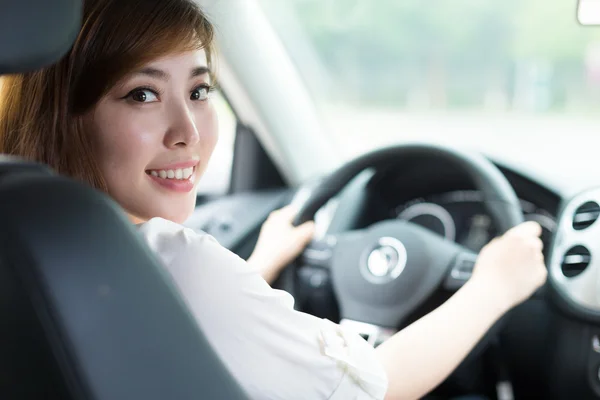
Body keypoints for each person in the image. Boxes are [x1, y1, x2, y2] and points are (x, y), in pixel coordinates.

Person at [0, 0, 547, 399]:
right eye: (142, 94)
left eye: (199, 91)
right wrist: (496, 285)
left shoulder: (30, 238)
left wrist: (255, 267)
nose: (187, 130)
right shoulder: (182, 261)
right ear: (62, 117)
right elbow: (373, 388)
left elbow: (172, 320)